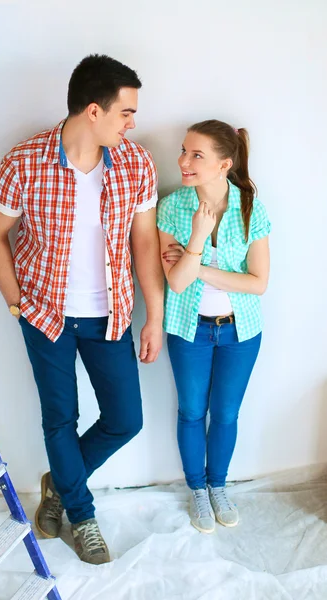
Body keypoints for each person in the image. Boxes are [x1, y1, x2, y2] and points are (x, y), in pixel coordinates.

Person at [0, 54, 164, 563]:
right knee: (60, 419)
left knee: (125, 419)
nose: (133, 122)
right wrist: (17, 302)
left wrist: (155, 314)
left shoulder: (135, 163)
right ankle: (82, 518)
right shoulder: (25, 162)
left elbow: (144, 243)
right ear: (93, 111)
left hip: (112, 316)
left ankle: (59, 483)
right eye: (126, 112)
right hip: (46, 315)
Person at [157, 119, 270, 534]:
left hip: (241, 332)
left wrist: (198, 265)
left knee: (225, 414)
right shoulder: (172, 207)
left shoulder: (250, 207)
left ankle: (218, 485)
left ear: (224, 164)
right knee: (191, 412)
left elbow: (258, 283)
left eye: (196, 155)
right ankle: (198, 490)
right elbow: (176, 282)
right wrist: (199, 235)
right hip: (189, 330)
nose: (183, 161)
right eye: (184, 151)